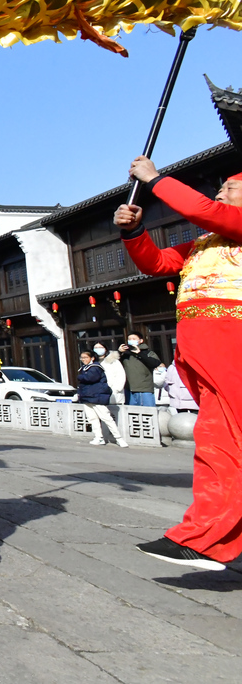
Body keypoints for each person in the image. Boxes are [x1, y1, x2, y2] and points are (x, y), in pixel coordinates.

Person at [115, 158, 242, 571]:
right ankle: (204, 536)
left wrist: (155, 181)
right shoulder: (206, 244)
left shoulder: (229, 227)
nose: (220, 193)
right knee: (218, 447)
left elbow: (204, 210)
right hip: (203, 353)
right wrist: (133, 231)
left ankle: (206, 536)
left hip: (232, 348)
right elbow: (157, 263)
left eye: (230, 188)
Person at [76, 350, 128, 447]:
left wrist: (81, 377)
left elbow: (90, 378)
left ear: (92, 358)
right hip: (88, 396)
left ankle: (119, 438)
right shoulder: (84, 368)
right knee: (92, 418)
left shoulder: (95, 367)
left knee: (106, 417)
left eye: (86, 357)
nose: (83, 359)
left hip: (97, 396)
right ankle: (99, 437)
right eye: (82, 358)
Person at [119, 331, 160, 407]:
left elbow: (155, 363)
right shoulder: (125, 354)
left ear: (141, 341)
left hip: (144, 388)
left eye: (134, 338)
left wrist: (139, 353)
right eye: (129, 339)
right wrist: (119, 353)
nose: (131, 340)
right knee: (132, 413)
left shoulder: (147, 352)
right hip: (129, 388)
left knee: (148, 412)